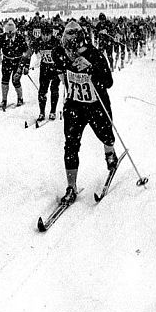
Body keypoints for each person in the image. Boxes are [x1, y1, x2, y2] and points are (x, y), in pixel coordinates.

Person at [52, 20, 117, 204]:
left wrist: (91, 67)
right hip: (75, 105)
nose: (72, 54)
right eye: (68, 49)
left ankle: (109, 152)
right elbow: (58, 68)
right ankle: (71, 187)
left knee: (105, 134)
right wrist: (65, 81)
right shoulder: (59, 53)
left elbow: (109, 82)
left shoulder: (95, 54)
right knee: (70, 144)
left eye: (75, 50)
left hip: (96, 104)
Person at [0, 19, 28, 110]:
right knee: (5, 79)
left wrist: (25, 66)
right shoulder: (2, 37)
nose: (10, 35)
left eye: (11, 34)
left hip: (17, 61)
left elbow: (26, 53)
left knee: (15, 80)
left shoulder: (20, 38)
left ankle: (20, 98)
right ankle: (4, 100)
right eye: (8, 33)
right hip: (6, 61)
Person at [28, 21, 61, 122]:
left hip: (56, 69)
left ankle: (53, 111)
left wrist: (64, 68)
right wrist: (24, 65)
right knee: (42, 90)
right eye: (44, 35)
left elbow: (64, 55)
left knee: (54, 89)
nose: (46, 38)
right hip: (45, 68)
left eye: (48, 35)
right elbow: (29, 53)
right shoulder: (38, 41)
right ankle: (42, 112)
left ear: (51, 34)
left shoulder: (56, 42)